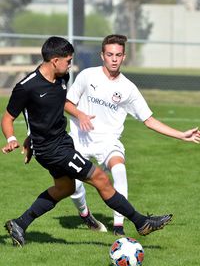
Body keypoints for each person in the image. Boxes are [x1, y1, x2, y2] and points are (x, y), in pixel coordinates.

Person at [1, 36, 173, 247]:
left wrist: (31, 137)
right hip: (51, 150)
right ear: (55, 60)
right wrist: (13, 139)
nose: (70, 65)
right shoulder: (26, 87)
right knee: (100, 178)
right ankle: (141, 222)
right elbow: (8, 118)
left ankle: (20, 223)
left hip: (62, 142)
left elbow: (43, 114)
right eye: (68, 60)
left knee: (65, 187)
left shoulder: (61, 78)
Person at [64, 34, 200, 236]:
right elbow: (67, 103)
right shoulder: (87, 76)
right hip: (79, 139)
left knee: (119, 169)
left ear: (124, 57)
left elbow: (149, 120)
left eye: (118, 55)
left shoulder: (128, 89)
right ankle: (86, 215)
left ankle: (119, 226)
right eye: (110, 54)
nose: (114, 59)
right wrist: (80, 114)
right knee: (72, 187)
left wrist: (181, 135)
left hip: (108, 141)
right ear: (102, 55)